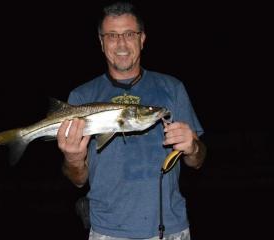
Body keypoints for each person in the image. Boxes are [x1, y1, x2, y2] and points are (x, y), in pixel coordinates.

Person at [57, 1, 206, 239]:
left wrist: (192, 147)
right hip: (107, 231)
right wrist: (73, 158)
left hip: (170, 229)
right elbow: (78, 180)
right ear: (101, 41)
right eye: (112, 35)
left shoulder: (172, 88)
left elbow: (197, 161)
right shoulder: (81, 97)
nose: (122, 43)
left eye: (129, 34)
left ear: (142, 38)